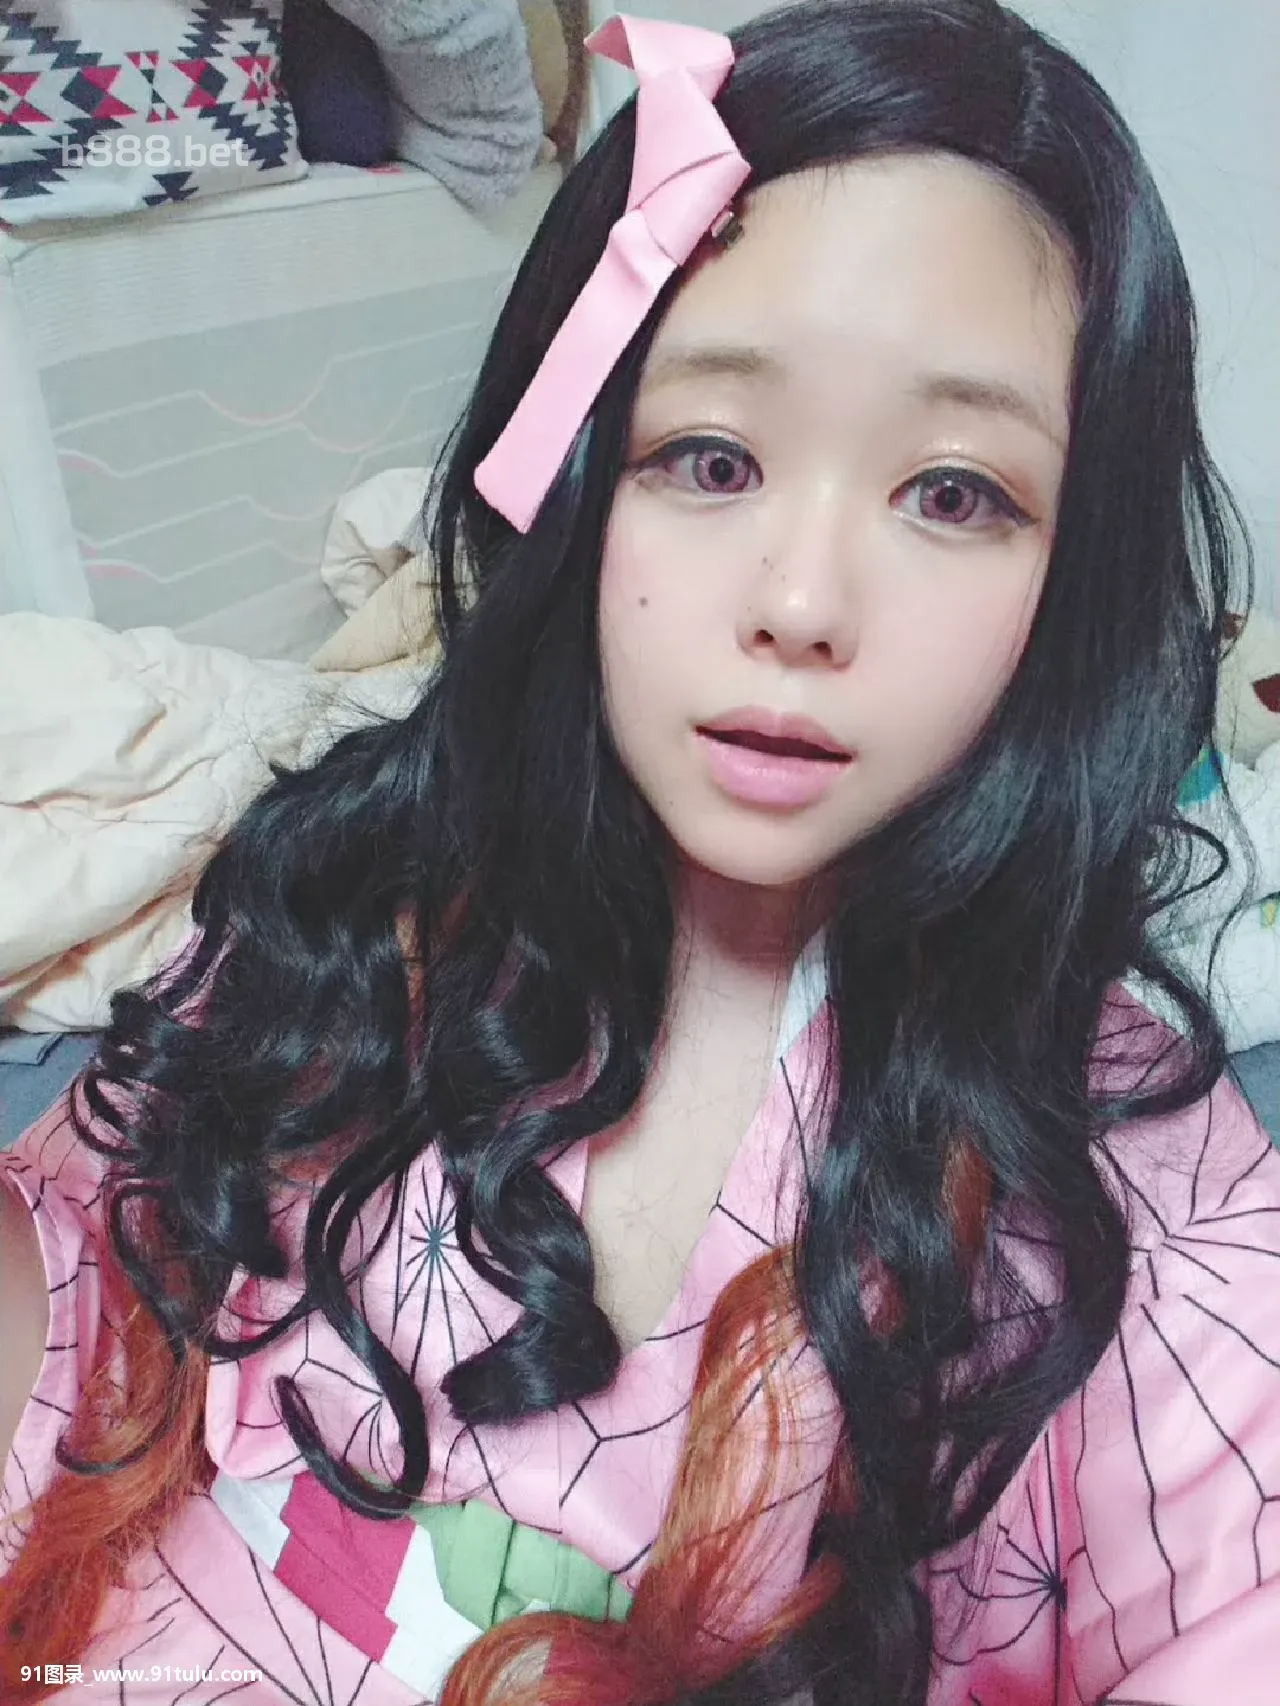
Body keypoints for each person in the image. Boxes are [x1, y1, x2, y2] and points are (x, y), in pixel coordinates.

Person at [1, 2, 1275, 1701]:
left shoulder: (1133, 1185)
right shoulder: (349, 894)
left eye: (955, 493)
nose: (801, 603)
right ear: (581, 482)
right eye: (712, 458)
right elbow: (87, 1303)